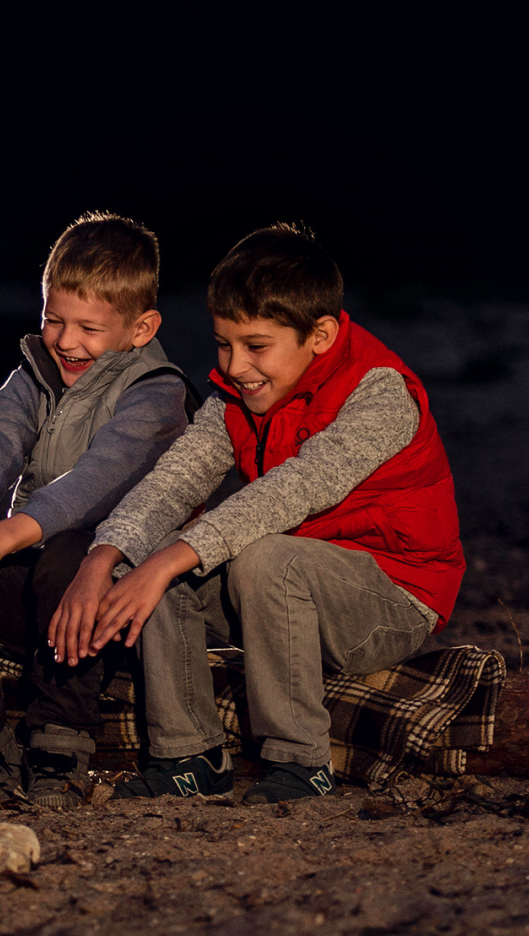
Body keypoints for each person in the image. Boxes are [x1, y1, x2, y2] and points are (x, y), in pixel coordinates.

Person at [51, 224, 465, 804]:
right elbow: (174, 481)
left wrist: (170, 558)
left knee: (255, 557)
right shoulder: (236, 396)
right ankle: (188, 755)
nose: (237, 365)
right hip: (286, 587)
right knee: (157, 553)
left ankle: (300, 761)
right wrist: (104, 557)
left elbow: (294, 490)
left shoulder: (379, 393)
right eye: (224, 344)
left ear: (320, 334)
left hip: (393, 597)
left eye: (256, 346)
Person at [0, 212, 194, 809]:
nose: (65, 341)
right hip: (37, 580)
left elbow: (94, 482)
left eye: (88, 327)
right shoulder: (35, 377)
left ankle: (60, 743)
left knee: (66, 549)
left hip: (111, 595)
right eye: (53, 320)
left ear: (141, 328)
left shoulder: (158, 392)